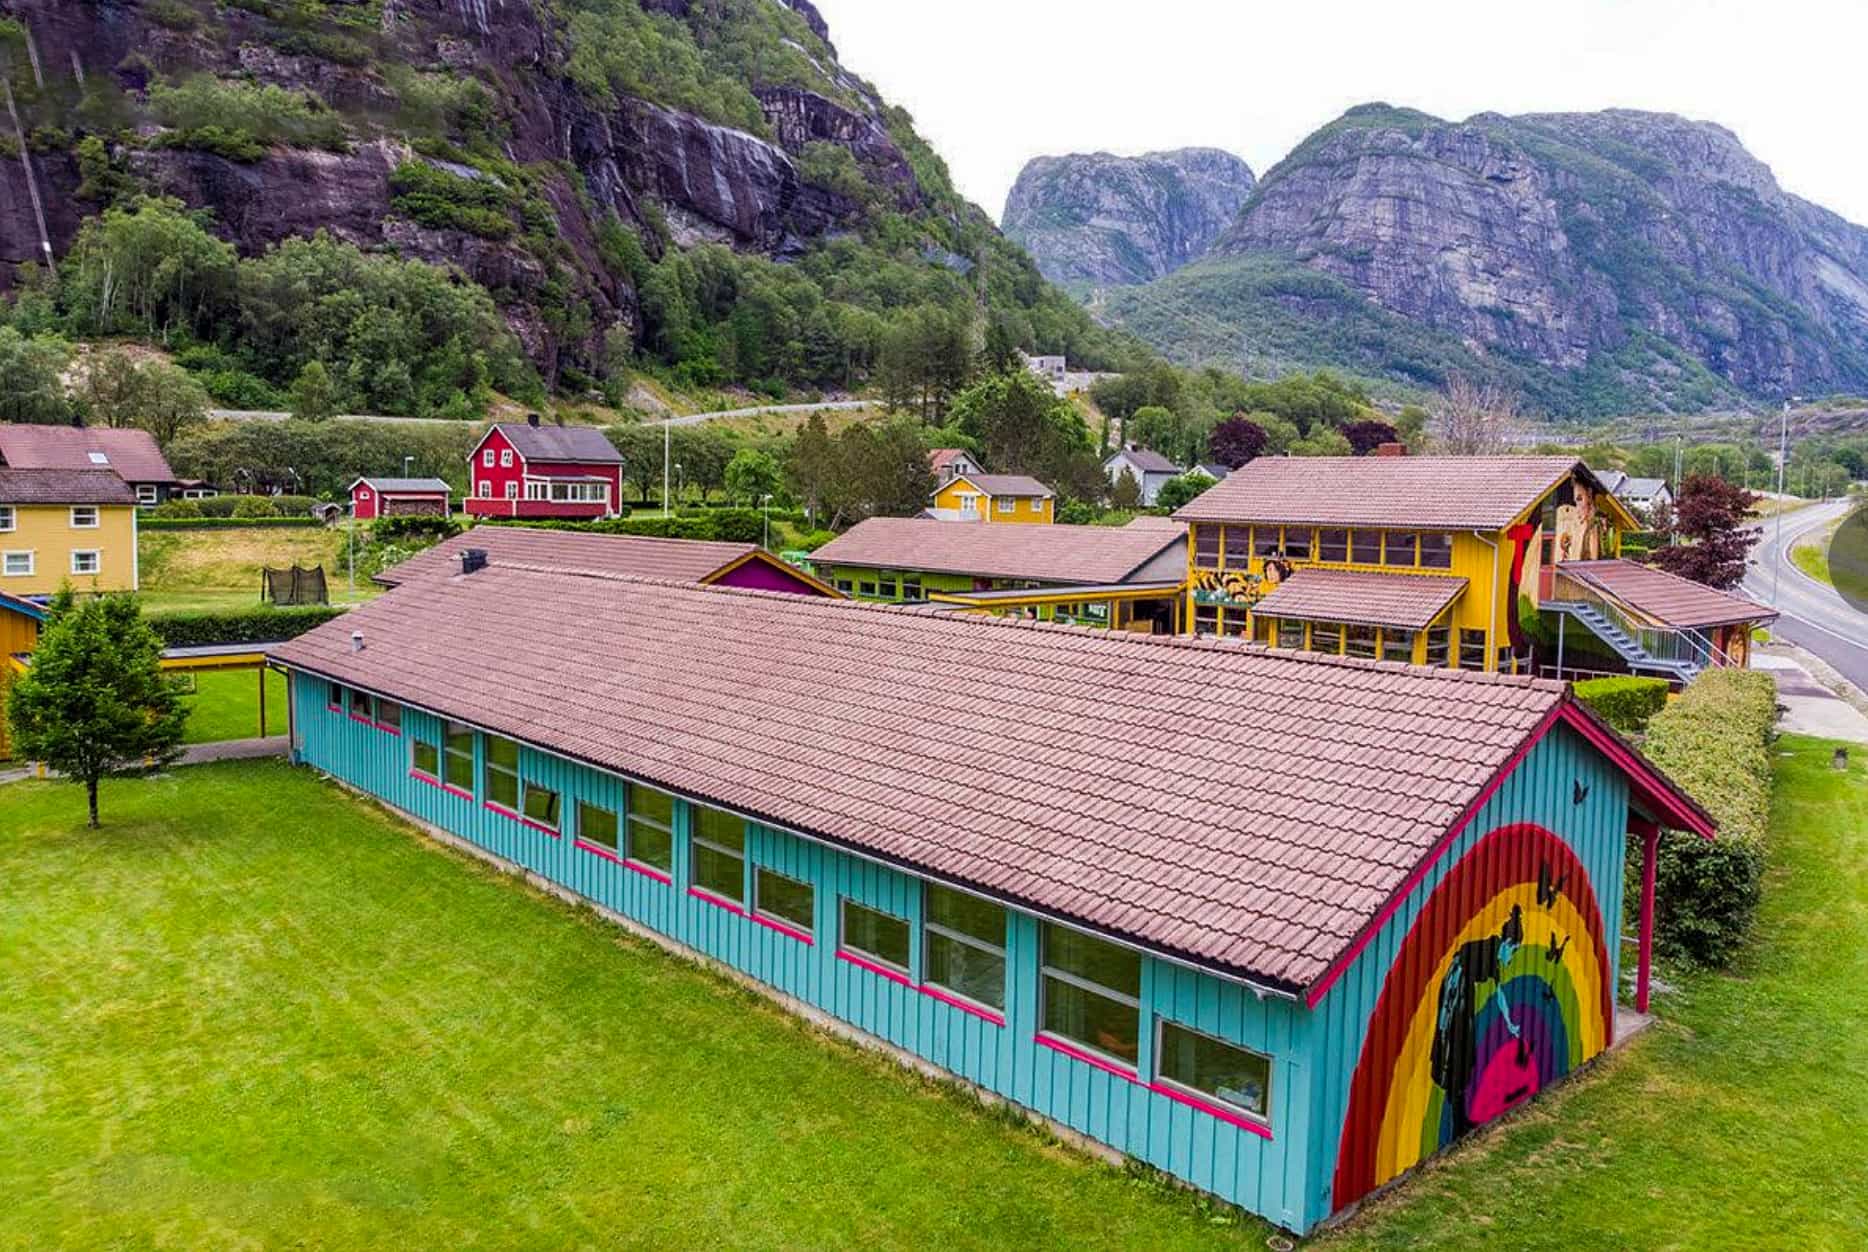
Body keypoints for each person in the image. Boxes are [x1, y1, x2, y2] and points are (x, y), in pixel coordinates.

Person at [1429, 904, 1524, 1139]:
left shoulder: (1493, 956)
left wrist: (1510, 1023)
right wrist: (1444, 1019)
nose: (1511, 959)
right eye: (1513, 952)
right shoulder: (1491, 951)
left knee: (1464, 1051)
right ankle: (1458, 1120)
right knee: (1456, 1049)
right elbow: (1460, 980)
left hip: (1463, 993)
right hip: (1456, 989)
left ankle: (1459, 1117)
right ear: (1508, 944)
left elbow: (1500, 993)